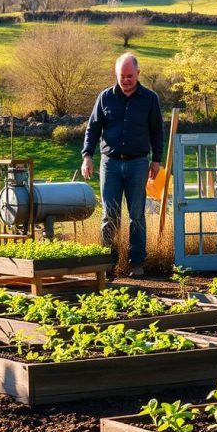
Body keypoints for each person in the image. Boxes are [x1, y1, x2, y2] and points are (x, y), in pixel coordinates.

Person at [81, 52, 164, 278]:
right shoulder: (105, 98)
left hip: (138, 164)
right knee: (110, 214)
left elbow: (157, 130)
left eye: (130, 76)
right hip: (110, 165)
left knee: (137, 214)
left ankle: (137, 263)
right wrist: (87, 155)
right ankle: (108, 264)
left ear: (138, 73)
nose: (126, 80)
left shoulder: (150, 99)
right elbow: (93, 128)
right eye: (121, 76)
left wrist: (156, 159)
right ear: (116, 74)